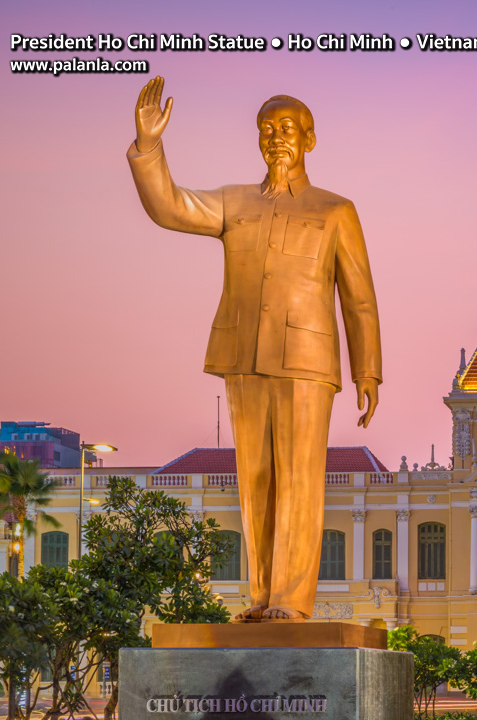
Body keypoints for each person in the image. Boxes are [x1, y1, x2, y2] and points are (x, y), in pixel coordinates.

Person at [128, 76, 382, 621]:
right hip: (243, 356)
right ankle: (263, 596)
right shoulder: (234, 202)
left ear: (309, 139)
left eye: (287, 128)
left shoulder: (336, 210)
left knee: (298, 478)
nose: (276, 138)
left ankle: (292, 602)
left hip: (308, 363)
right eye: (266, 129)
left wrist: (369, 370)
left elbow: (358, 298)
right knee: (256, 481)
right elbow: (170, 206)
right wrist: (149, 147)